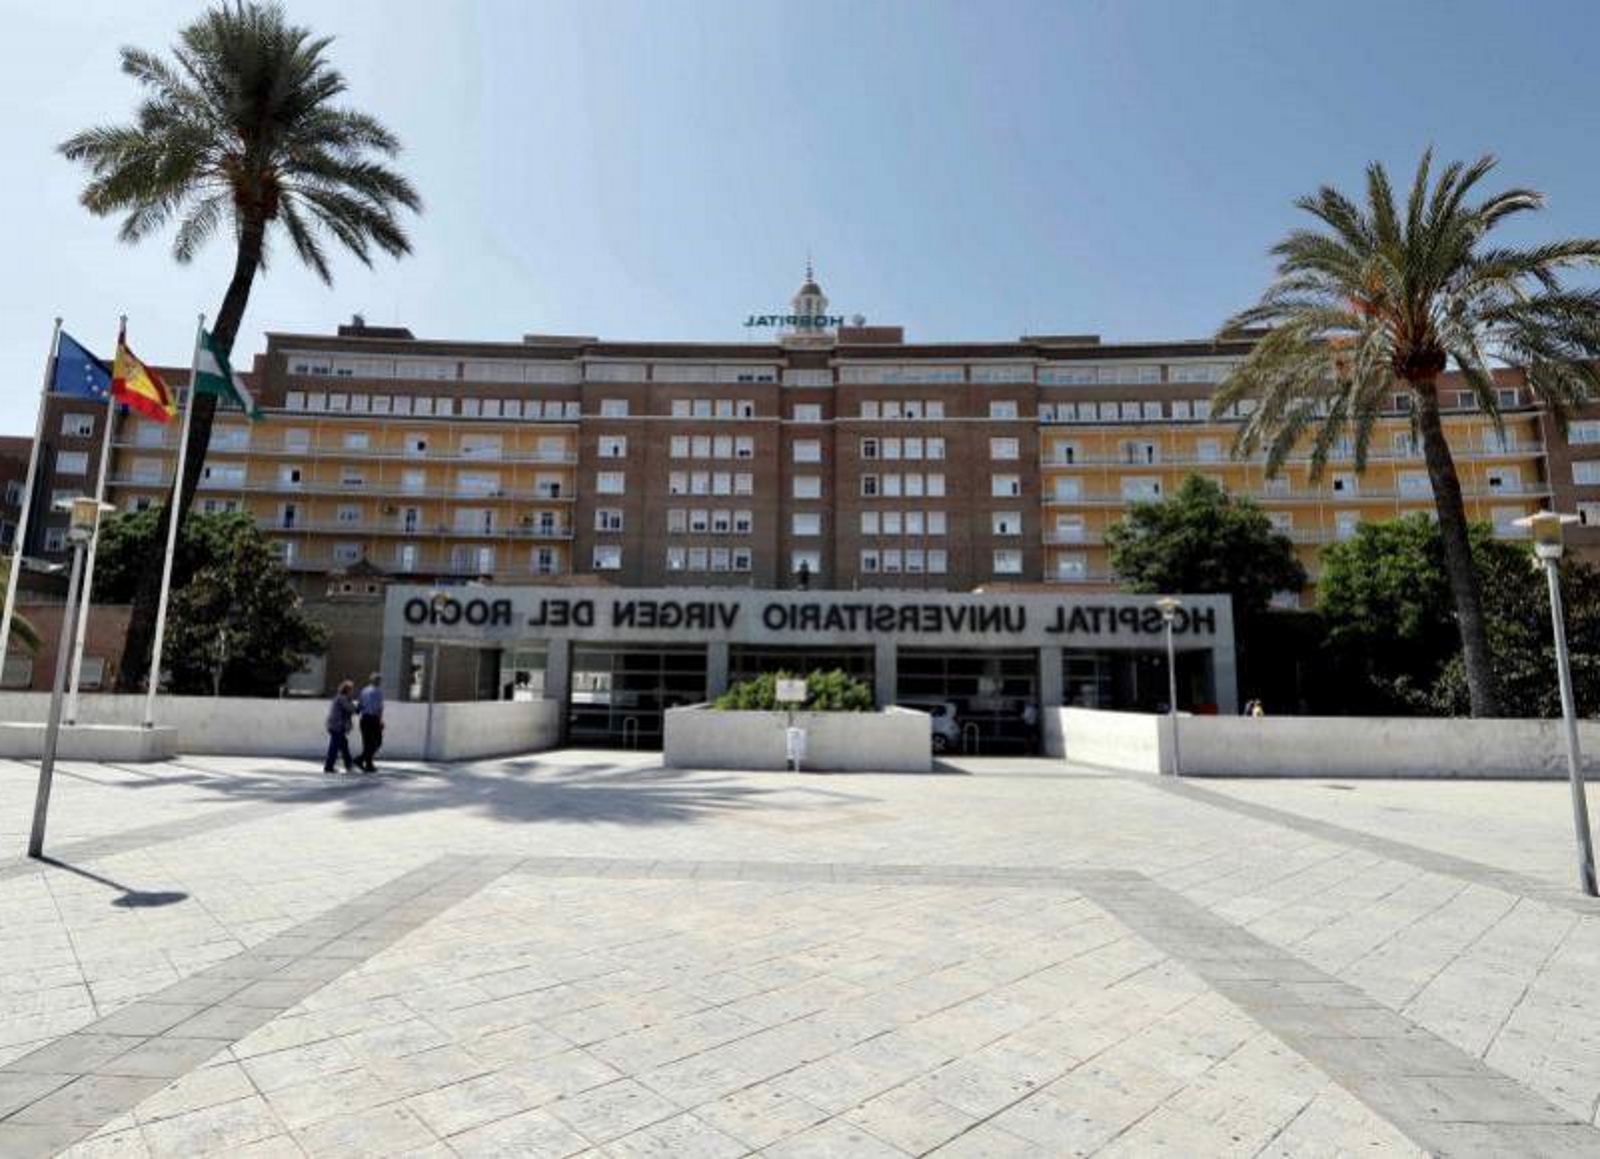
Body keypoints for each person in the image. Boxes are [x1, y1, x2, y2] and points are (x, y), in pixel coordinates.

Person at [324, 680, 358, 774]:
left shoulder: (341, 697)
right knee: (334, 747)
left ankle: (348, 765)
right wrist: (359, 708)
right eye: (351, 690)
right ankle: (329, 767)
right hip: (336, 726)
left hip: (336, 726)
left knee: (343, 745)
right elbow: (350, 708)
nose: (352, 692)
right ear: (347, 690)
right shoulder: (342, 698)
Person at [356, 673, 385, 772]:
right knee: (378, 742)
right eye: (379, 680)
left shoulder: (364, 690)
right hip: (373, 719)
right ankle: (360, 759)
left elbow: (359, 705)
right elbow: (379, 708)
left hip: (364, 719)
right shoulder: (378, 692)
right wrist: (380, 720)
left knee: (367, 743)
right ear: (377, 681)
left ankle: (368, 764)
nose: (380, 682)